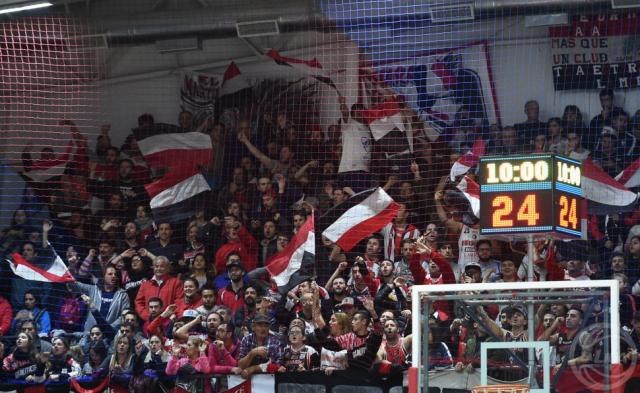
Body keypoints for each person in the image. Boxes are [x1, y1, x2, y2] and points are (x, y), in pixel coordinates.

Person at [73, 265, 130, 332]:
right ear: (103, 276)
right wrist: (71, 267)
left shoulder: (122, 295)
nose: (114, 276)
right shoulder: (93, 289)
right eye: (110, 274)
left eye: (115, 274)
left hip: (109, 335)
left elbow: (124, 315)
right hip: (90, 333)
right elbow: (73, 285)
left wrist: (109, 328)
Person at [135, 256, 184, 321]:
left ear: (168, 268)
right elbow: (138, 303)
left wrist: (173, 315)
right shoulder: (145, 285)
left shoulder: (176, 282)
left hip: (168, 321)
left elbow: (179, 301)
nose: (158, 269)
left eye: (162, 266)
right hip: (150, 322)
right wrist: (147, 316)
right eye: (156, 266)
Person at [237, 313, 284, 378]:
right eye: (260, 325)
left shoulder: (276, 341)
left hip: (269, 379)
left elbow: (278, 365)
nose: (263, 328)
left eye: (266, 326)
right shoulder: (246, 339)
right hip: (248, 379)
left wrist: (253, 368)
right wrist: (252, 353)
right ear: (253, 327)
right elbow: (241, 366)